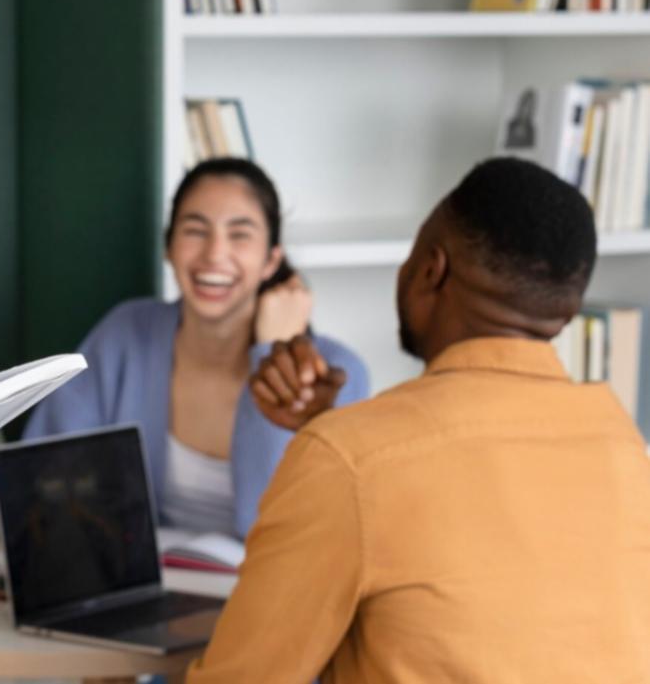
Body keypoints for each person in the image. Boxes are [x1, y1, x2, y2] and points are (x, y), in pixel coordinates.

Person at [187, 157, 650, 683]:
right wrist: (329, 437)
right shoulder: (622, 446)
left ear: (432, 269)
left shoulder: (352, 462)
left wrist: (331, 448)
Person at [23, 158, 369, 539]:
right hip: (144, 587)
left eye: (240, 234)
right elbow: (39, 484)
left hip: (275, 590)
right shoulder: (125, 335)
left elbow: (272, 527)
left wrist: (272, 355)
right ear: (169, 247)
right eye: (195, 230)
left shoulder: (335, 372)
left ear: (271, 260)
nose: (214, 254)